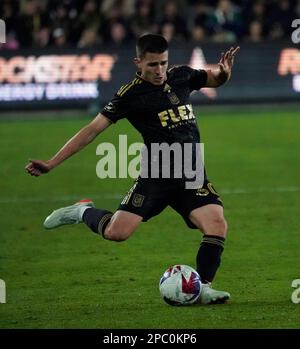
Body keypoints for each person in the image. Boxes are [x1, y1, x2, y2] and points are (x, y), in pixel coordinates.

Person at [26, 34, 239, 305]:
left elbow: (214, 79)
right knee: (117, 232)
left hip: (191, 173)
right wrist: (52, 162)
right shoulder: (130, 95)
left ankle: (203, 287)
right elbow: (92, 130)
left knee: (217, 224)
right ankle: (82, 211)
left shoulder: (183, 76)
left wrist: (224, 73)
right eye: (152, 65)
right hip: (157, 177)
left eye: (163, 63)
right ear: (138, 62)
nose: (159, 70)